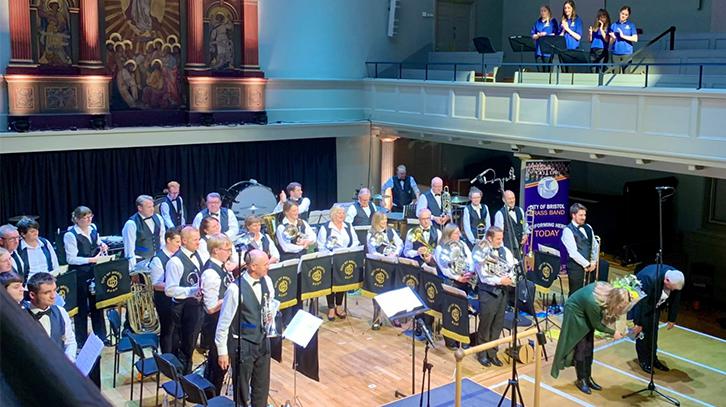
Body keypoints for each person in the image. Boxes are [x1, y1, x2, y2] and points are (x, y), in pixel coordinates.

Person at [215, 249, 274, 407]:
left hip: (262, 340)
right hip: (243, 343)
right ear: (253, 266)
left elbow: (270, 305)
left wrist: (270, 317)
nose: (268, 266)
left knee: (261, 387)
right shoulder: (235, 289)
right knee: (241, 390)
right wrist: (222, 352)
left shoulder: (267, 280)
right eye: (265, 264)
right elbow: (223, 323)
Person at [551, 281, 632, 394]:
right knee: (581, 347)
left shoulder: (609, 293)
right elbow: (597, 325)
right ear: (615, 301)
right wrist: (613, 332)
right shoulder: (593, 302)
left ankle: (588, 378)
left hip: (585, 310)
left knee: (589, 346)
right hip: (575, 312)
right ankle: (581, 380)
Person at [63, 206, 109, 346]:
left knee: (98, 304)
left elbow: (97, 242)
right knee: (81, 307)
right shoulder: (70, 235)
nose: (89, 219)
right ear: (77, 219)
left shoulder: (92, 228)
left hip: (94, 271)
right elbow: (71, 259)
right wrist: (91, 260)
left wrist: (103, 245)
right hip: (79, 274)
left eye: (90, 216)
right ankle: (81, 340)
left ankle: (101, 336)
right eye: (85, 217)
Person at [165, 226, 207, 373]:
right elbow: (169, 290)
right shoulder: (175, 262)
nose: (198, 242)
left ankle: (188, 378)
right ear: (184, 241)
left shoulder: (199, 254)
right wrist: (191, 291)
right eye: (195, 240)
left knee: (192, 344)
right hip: (184, 309)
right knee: (186, 346)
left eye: (199, 239)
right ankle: (184, 380)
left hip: (197, 306)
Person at [628, 265, 684, 374]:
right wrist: (638, 322)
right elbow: (640, 302)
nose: (672, 290)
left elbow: (676, 297)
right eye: (671, 288)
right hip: (640, 302)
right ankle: (644, 360)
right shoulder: (648, 278)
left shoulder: (676, 278)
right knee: (642, 333)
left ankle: (653, 359)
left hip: (655, 304)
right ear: (666, 280)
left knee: (653, 333)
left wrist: (671, 318)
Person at [474, 227, 516, 367]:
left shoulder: (505, 251)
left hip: (502, 291)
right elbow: (483, 276)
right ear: (490, 238)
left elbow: (511, 267)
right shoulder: (481, 250)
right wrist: (499, 280)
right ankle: (482, 353)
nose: (501, 241)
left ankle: (492, 353)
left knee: (497, 324)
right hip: (487, 292)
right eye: (498, 238)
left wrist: (509, 278)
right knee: (486, 324)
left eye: (501, 238)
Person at [200, 233, 235, 394]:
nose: (230, 252)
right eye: (226, 249)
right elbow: (210, 307)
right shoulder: (211, 273)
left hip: (223, 322)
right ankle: (210, 398)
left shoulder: (221, 267)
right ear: (215, 251)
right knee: (218, 366)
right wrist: (232, 298)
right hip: (215, 325)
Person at [317, 204, 360, 320]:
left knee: (341, 283)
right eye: (339, 213)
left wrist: (349, 251)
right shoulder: (325, 228)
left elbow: (355, 241)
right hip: (330, 260)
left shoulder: (348, 226)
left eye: (343, 213)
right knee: (331, 284)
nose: (341, 215)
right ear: (332, 215)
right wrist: (332, 254)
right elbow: (321, 246)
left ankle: (339, 306)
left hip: (344, 259)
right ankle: (331, 307)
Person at [25, 272, 77, 361]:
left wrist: (68, 361)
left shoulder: (60, 311)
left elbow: (70, 341)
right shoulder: (23, 316)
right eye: (47, 293)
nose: (53, 296)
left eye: (54, 290)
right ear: (32, 295)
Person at [366, 211, 403, 330]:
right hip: (378, 265)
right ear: (376, 221)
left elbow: (400, 244)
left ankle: (394, 315)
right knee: (378, 291)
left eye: (386, 220)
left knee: (393, 290)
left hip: (392, 264)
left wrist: (395, 254)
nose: (385, 222)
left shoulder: (391, 231)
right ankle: (377, 317)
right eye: (382, 220)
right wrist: (383, 257)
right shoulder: (371, 233)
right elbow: (372, 251)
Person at [149, 228, 182, 354]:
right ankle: (166, 358)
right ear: (168, 240)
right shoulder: (158, 259)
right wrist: (174, 285)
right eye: (177, 242)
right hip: (164, 300)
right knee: (168, 330)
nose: (179, 245)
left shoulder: (179, 256)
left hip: (176, 298)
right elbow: (156, 284)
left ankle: (175, 355)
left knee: (177, 330)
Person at [561, 203, 599, 295]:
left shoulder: (588, 227)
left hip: (591, 266)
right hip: (576, 267)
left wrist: (593, 261)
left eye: (584, 215)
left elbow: (595, 245)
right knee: (576, 293)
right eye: (581, 215)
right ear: (573, 215)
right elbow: (573, 253)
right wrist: (587, 265)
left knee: (590, 291)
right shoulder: (568, 231)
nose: (583, 218)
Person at [122, 194, 166, 271]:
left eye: (152, 206)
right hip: (140, 262)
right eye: (149, 207)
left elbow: (162, 239)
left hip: (157, 260)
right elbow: (129, 248)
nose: (152, 209)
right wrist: (132, 269)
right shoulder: (131, 224)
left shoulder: (158, 218)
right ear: (140, 208)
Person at [493, 191, 529, 256]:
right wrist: (502, 250)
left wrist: (526, 234)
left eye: (513, 198)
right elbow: (498, 234)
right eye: (509, 199)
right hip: (507, 248)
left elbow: (524, 225)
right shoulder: (500, 214)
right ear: (503, 200)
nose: (512, 200)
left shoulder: (520, 210)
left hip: (520, 247)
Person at [609, 5, 638, 71]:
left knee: (626, 75)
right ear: (619, 13)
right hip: (615, 53)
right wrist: (613, 38)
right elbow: (610, 43)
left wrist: (623, 36)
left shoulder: (631, 25)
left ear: (628, 16)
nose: (623, 16)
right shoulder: (614, 25)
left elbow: (635, 39)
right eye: (622, 13)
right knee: (615, 74)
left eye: (626, 15)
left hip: (627, 53)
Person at [531, 5, 559, 70]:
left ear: (548, 12)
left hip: (548, 50)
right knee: (540, 71)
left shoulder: (553, 21)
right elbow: (533, 35)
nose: (543, 12)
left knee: (547, 71)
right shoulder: (537, 22)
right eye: (541, 11)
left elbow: (556, 34)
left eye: (544, 11)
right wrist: (538, 35)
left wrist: (546, 34)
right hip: (539, 50)